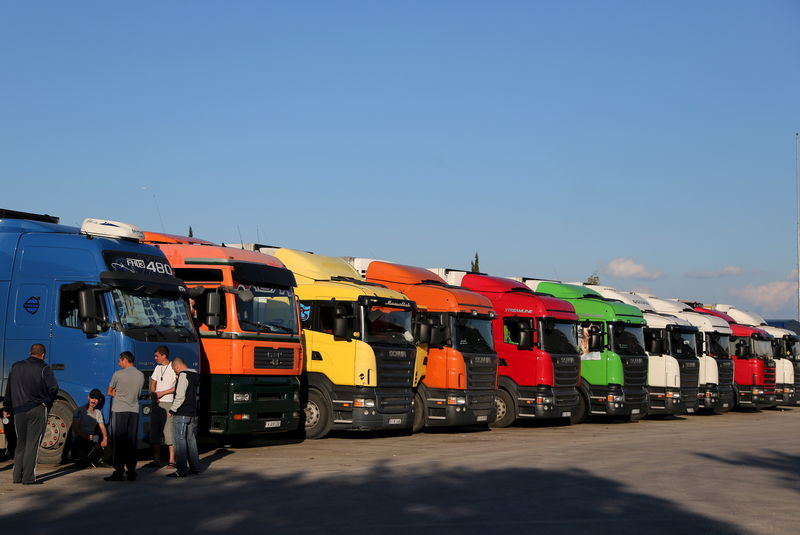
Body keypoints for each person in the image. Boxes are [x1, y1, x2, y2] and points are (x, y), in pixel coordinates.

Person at [2, 343, 59, 485]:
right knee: (32, 444)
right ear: (43, 355)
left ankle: (17, 476)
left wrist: (7, 407)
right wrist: (46, 401)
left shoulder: (15, 367)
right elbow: (54, 388)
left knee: (20, 443)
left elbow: (9, 389)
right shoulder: (44, 368)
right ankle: (28, 478)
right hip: (37, 409)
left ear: (29, 352)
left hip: (18, 410)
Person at [105, 351, 145, 482]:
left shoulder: (118, 374)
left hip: (120, 410)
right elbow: (138, 394)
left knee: (119, 441)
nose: (118, 363)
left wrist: (118, 393)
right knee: (131, 442)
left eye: (119, 360)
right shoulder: (140, 375)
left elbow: (109, 391)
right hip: (134, 411)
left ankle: (119, 471)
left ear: (124, 360)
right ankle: (132, 471)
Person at [167, 356, 201, 478]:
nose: (175, 372)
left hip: (182, 413)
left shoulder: (183, 375)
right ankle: (195, 467)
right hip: (193, 413)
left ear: (177, 366)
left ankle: (181, 470)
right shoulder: (195, 375)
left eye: (174, 369)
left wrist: (172, 409)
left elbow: (180, 396)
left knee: (179, 441)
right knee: (191, 440)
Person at [144, 346, 177, 468]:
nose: (155, 358)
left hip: (168, 402)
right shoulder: (158, 368)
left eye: (157, 356)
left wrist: (163, 393)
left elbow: (177, 387)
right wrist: (154, 394)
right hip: (156, 403)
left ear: (164, 356)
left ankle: (172, 460)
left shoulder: (173, 367)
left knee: (168, 431)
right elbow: (153, 383)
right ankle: (156, 459)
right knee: (155, 431)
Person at [71, 389, 108, 468]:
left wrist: (105, 438)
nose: (94, 401)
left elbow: (102, 427)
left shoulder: (98, 412)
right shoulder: (79, 411)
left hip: (92, 437)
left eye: (96, 399)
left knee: (102, 438)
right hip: (81, 436)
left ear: (99, 401)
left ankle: (97, 460)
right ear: (88, 398)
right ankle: (85, 460)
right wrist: (86, 436)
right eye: (92, 398)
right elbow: (75, 428)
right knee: (81, 441)